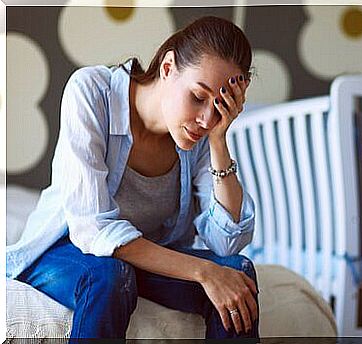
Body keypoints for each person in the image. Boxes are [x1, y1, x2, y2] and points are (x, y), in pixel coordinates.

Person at [7, 16, 260, 340]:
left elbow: (227, 242)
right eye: (198, 97)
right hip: (68, 252)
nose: (206, 118)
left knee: (237, 273)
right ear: (168, 68)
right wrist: (203, 271)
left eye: (221, 107)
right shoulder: (92, 92)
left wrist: (219, 141)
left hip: (144, 259)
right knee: (111, 275)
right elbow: (93, 228)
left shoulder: (201, 135)